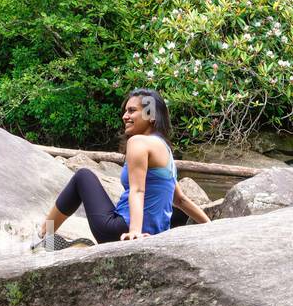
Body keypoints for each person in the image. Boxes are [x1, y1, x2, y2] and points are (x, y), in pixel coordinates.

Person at [35, 89, 210, 246]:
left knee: (83, 176)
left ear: (150, 115)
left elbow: (138, 190)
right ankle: (47, 236)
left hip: (119, 230)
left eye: (132, 111)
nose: (125, 116)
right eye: (125, 111)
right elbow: (180, 200)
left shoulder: (138, 142)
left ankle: (44, 234)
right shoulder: (165, 150)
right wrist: (211, 227)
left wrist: (134, 232)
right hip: (156, 233)